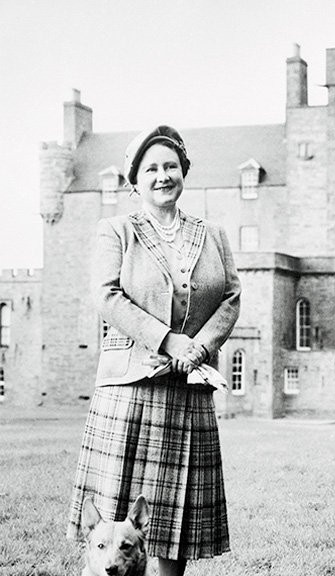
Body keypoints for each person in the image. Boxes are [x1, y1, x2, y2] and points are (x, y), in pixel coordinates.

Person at [67, 125, 241, 576]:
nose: (163, 175)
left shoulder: (213, 234)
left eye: (170, 166)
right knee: (112, 521)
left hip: (190, 388)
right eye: (151, 168)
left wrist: (198, 348)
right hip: (129, 389)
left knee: (175, 519)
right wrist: (167, 340)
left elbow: (231, 298)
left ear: (183, 171)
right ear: (134, 181)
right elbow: (106, 295)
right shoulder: (117, 230)